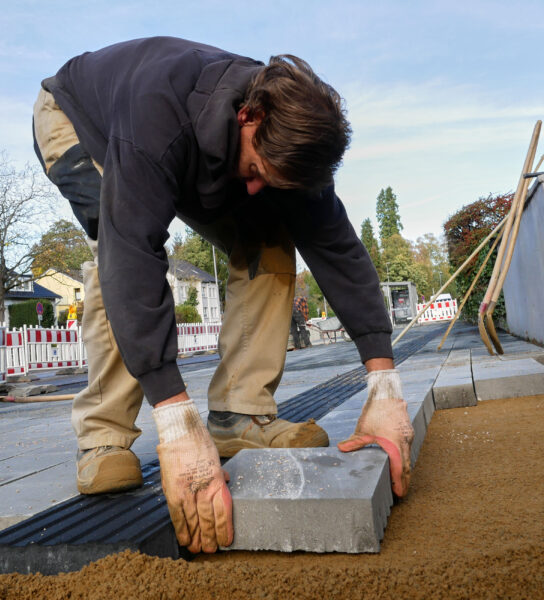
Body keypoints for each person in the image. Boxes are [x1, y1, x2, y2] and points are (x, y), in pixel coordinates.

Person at [32, 37, 413, 555]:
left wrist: (384, 384)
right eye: (256, 170)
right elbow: (132, 254)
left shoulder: (291, 140)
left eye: (271, 179)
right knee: (117, 246)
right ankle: (103, 436)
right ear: (248, 117)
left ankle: (239, 415)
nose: (255, 188)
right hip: (80, 119)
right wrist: (175, 420)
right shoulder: (158, 115)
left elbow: (338, 249)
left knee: (270, 236)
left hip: (190, 148)